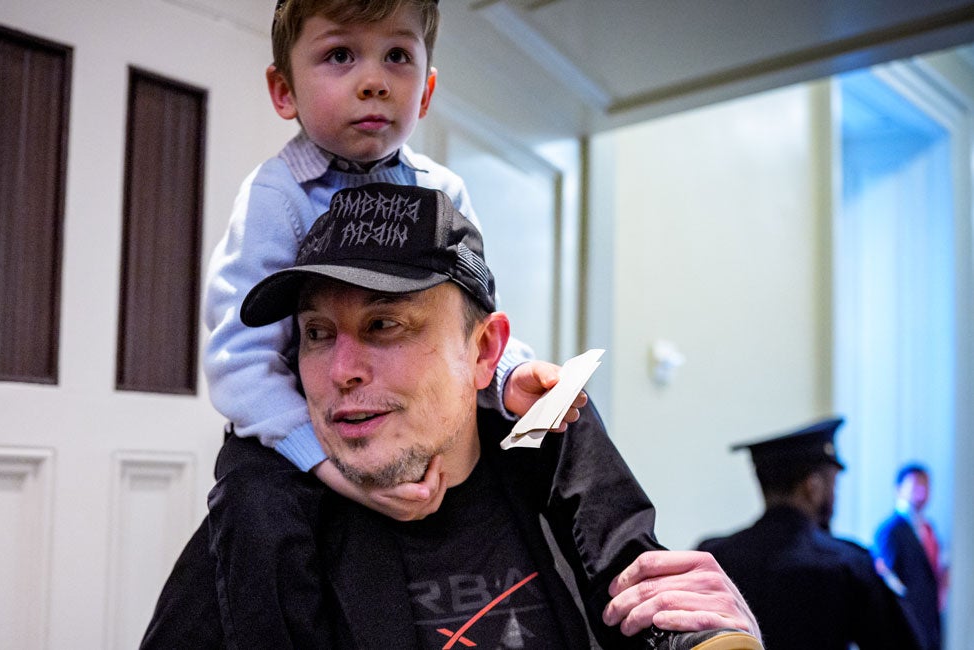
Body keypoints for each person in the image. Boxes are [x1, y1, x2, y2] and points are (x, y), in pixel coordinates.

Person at [199, 0, 664, 644]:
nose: (373, 80)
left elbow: (471, 316)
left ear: (426, 90)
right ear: (284, 91)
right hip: (290, 426)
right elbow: (241, 364)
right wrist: (326, 468)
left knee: (561, 409)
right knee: (252, 493)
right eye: (339, 55)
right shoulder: (274, 198)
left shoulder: (441, 189)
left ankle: (650, 605)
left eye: (397, 55)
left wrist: (509, 376)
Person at [145, 183, 762, 649]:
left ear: (485, 351)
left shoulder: (559, 477)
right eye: (317, 333)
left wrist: (717, 631)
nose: (341, 370)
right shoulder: (257, 533)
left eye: (384, 324)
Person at [697, 418, 922, 650]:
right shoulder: (848, 564)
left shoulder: (714, 559)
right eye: (834, 485)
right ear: (812, 487)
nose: (835, 495)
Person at [875, 463, 946, 650]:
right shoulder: (891, 530)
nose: (922, 491)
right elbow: (888, 580)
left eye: (926, 485)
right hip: (905, 629)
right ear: (899, 489)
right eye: (916, 484)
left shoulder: (928, 529)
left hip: (929, 626)